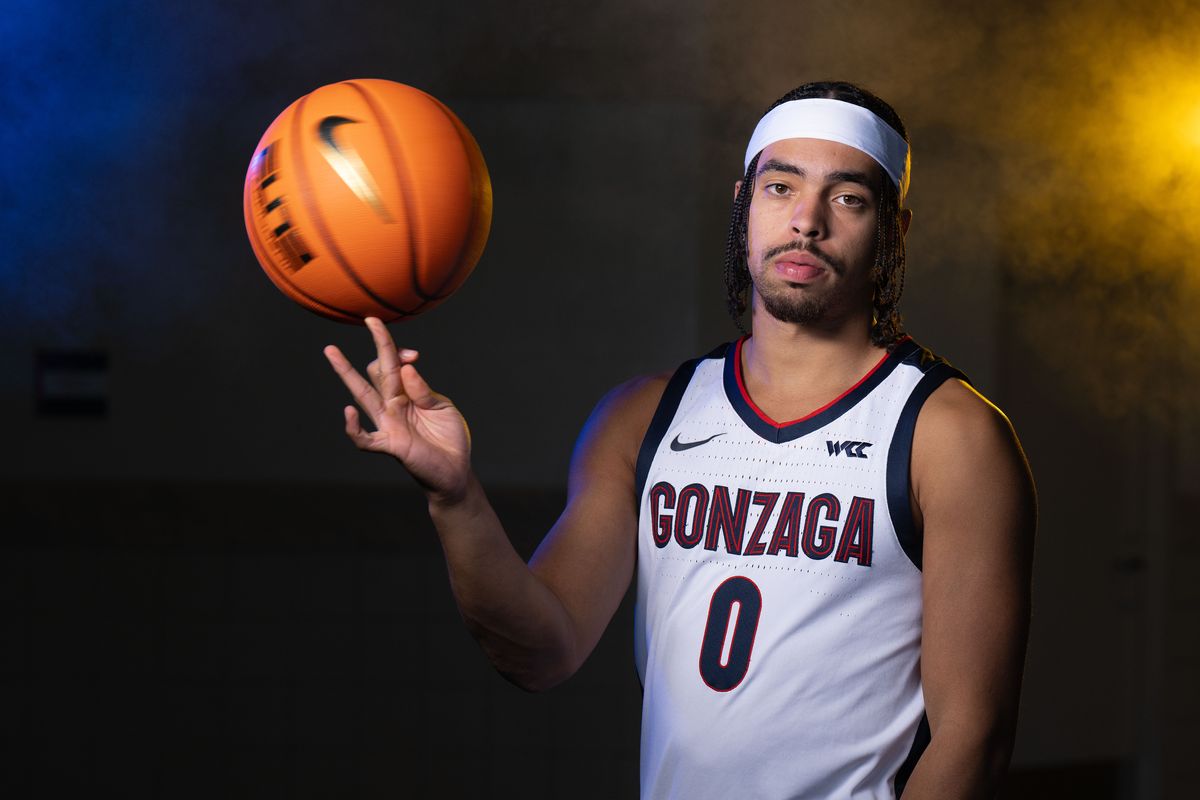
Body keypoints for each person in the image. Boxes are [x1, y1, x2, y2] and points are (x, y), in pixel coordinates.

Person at [322, 81, 1036, 799]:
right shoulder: (644, 416)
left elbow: (973, 740)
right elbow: (538, 653)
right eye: (780, 187)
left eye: (847, 197)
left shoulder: (951, 436)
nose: (806, 221)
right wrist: (455, 497)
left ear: (894, 229)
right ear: (744, 203)